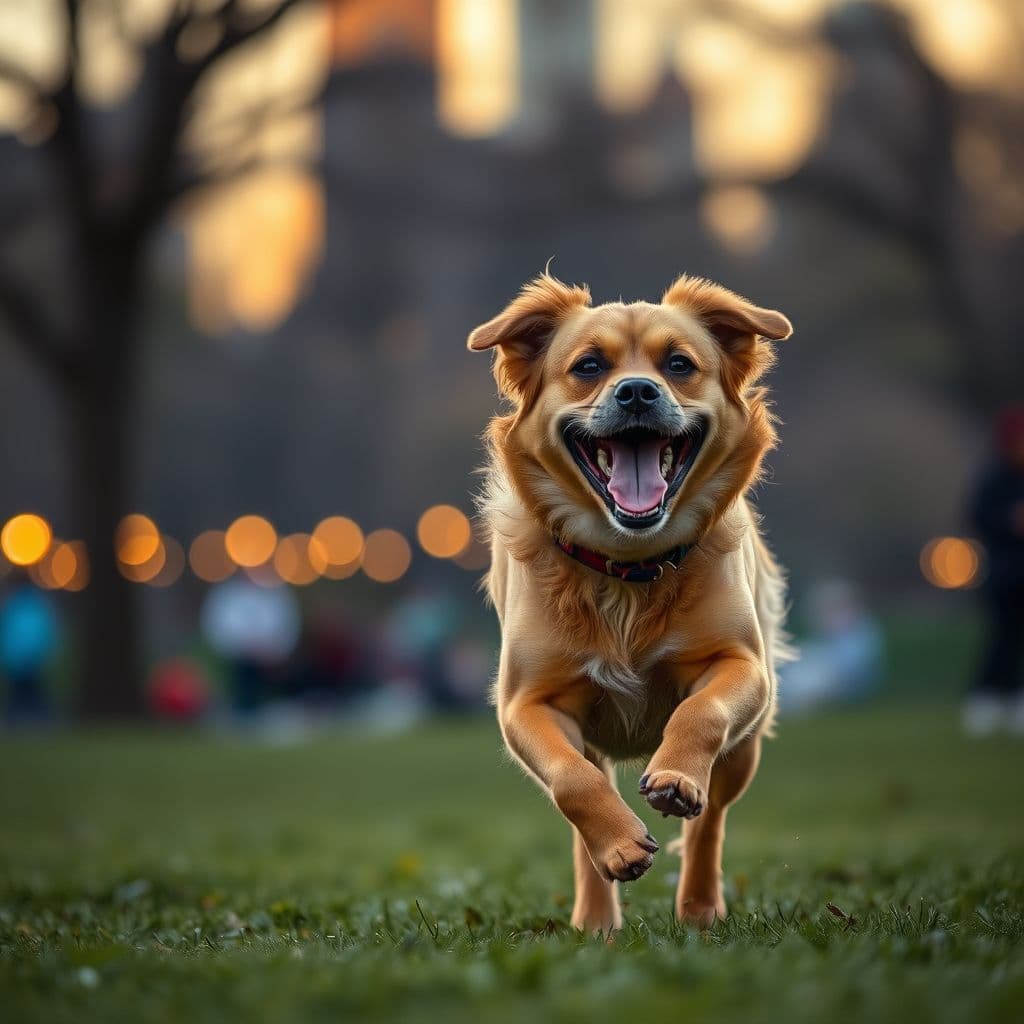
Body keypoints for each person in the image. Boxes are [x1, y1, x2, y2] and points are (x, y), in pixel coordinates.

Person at [964, 407, 1024, 736]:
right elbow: (978, 517)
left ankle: (1015, 700)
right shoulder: (995, 479)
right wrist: (1009, 521)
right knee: (1002, 639)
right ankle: (984, 700)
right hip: (1004, 576)